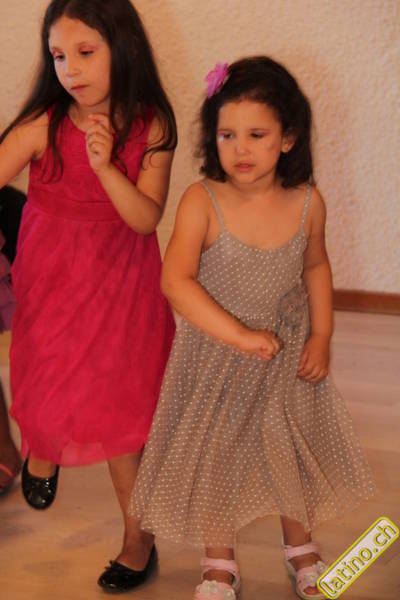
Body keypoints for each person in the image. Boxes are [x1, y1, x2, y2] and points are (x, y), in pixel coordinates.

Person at [130, 57, 375, 600]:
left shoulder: (307, 203)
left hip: (284, 356)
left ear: (288, 138)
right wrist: (239, 336)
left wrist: (322, 336)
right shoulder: (203, 200)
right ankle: (218, 562)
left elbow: (316, 266)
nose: (240, 149)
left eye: (257, 135)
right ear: (211, 137)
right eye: (227, 135)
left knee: (288, 451)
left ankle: (300, 547)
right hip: (216, 359)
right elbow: (175, 280)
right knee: (217, 458)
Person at [0, 0, 176, 591]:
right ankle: (42, 445)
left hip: (122, 287)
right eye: (57, 55)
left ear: (122, 47)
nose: (69, 69)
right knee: (46, 377)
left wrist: (105, 169)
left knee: (119, 412)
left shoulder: (152, 125)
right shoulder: (42, 125)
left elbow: (145, 219)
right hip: (52, 284)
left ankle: (138, 539)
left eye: (84, 52)